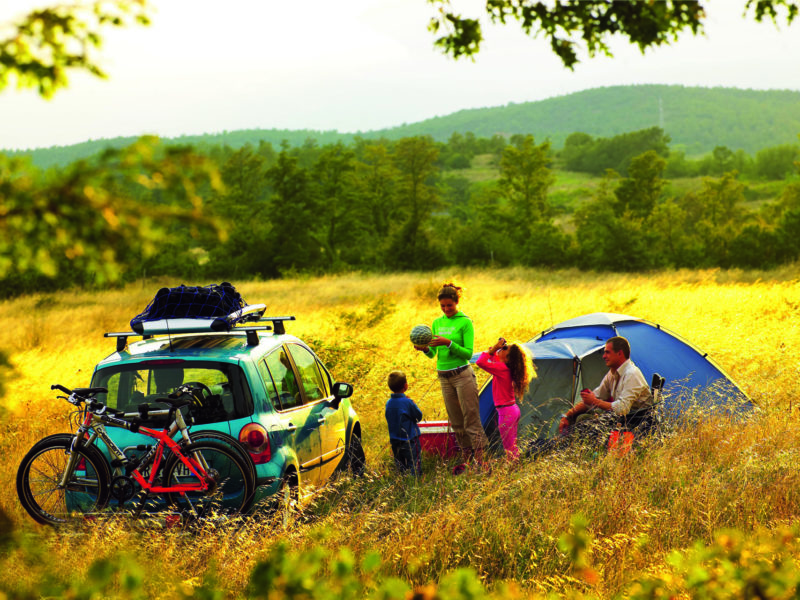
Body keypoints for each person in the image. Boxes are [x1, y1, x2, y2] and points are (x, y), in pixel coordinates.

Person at [414, 282, 489, 473]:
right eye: (443, 306)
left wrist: (449, 343)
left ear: (457, 302)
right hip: (444, 376)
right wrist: (424, 349)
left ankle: (480, 462)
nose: (446, 309)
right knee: (456, 422)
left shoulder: (465, 322)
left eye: (450, 305)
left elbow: (468, 353)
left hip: (462, 375)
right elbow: (433, 354)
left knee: (471, 419)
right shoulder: (437, 322)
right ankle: (467, 461)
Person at [558, 336, 652, 437]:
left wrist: (594, 401)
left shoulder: (632, 374)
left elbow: (623, 408)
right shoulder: (612, 373)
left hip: (636, 423)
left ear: (619, 353)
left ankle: (587, 451)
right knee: (578, 416)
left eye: (607, 352)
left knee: (584, 421)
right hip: (623, 420)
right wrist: (567, 416)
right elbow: (595, 397)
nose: (603, 356)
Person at [475, 337, 533, 461]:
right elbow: (493, 359)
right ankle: (515, 466)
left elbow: (480, 362)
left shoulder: (502, 369)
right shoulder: (505, 368)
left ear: (508, 358)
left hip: (506, 412)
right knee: (513, 446)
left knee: (509, 448)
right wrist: (495, 350)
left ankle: (513, 470)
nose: (502, 349)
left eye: (505, 348)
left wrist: (495, 349)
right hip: (512, 409)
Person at [385, 370, 423, 476]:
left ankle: (403, 483)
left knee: (400, 465)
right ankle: (415, 484)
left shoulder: (389, 403)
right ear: (405, 386)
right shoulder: (408, 402)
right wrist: (413, 404)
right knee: (414, 464)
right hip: (409, 440)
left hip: (395, 440)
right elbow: (418, 416)